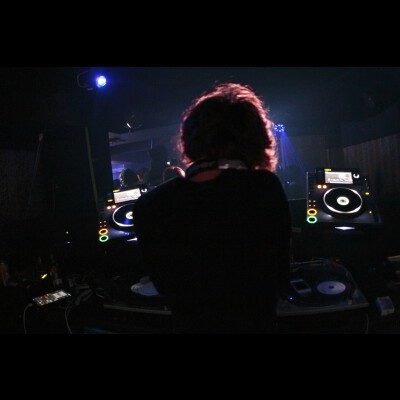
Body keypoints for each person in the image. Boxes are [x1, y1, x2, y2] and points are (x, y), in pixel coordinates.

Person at [133, 83, 292, 333]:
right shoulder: (264, 187)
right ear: (256, 138)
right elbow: (280, 276)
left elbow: (164, 286)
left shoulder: (149, 206)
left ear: (189, 138)